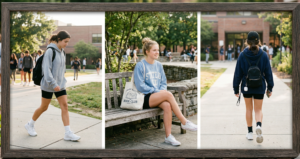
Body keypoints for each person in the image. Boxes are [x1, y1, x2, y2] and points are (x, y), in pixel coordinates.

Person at [134, 37, 197, 146]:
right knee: (168, 94)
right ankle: (184, 122)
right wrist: (156, 91)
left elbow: (163, 82)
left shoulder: (159, 65)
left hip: (156, 96)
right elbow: (140, 86)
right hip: (144, 98)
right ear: (147, 51)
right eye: (154, 50)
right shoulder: (140, 65)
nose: (157, 52)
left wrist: (160, 91)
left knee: (167, 105)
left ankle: (168, 137)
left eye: (158, 50)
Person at [24, 30, 80, 141]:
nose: (66, 44)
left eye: (68, 42)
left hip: (60, 85)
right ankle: (30, 124)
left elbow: (61, 69)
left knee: (64, 106)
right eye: (65, 41)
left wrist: (62, 81)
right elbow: (46, 70)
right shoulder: (50, 51)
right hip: (48, 85)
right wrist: (53, 84)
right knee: (44, 107)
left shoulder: (62, 51)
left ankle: (68, 133)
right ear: (59, 40)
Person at [233, 31, 274, 143]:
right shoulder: (264, 55)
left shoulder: (242, 55)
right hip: (260, 86)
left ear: (247, 41)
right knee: (258, 109)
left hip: (247, 86)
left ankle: (250, 133)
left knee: (249, 109)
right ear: (258, 41)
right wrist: (270, 87)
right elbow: (268, 73)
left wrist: (236, 88)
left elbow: (238, 73)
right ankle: (259, 126)